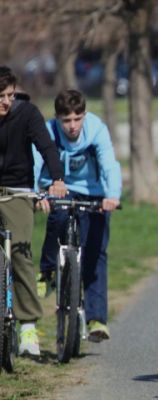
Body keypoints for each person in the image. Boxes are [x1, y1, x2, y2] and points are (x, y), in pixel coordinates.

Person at [34, 89, 122, 343]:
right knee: (58, 217)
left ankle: (96, 319)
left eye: (77, 118)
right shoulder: (49, 131)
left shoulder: (96, 129)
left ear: (84, 115)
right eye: (67, 120)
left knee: (95, 254)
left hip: (94, 194)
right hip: (58, 188)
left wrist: (112, 196)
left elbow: (109, 164)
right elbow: (35, 163)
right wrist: (37, 193)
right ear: (58, 119)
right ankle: (48, 270)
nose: (72, 126)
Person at [0, 66, 67, 357]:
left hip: (18, 191)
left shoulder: (26, 114)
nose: (6, 102)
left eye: (10, 95)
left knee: (20, 252)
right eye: (0, 96)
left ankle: (27, 325)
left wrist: (57, 179)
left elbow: (47, 147)